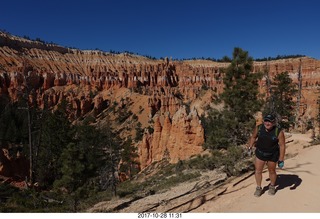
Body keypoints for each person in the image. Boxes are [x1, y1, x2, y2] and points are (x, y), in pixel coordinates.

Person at [247, 114, 286, 197]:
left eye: (270, 122)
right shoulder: (259, 128)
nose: (267, 123)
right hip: (260, 153)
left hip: (272, 155)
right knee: (258, 171)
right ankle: (258, 188)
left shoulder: (278, 132)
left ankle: (272, 186)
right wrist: (250, 147)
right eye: (266, 121)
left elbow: (282, 145)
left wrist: (281, 159)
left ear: (274, 122)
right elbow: (253, 137)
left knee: (272, 171)